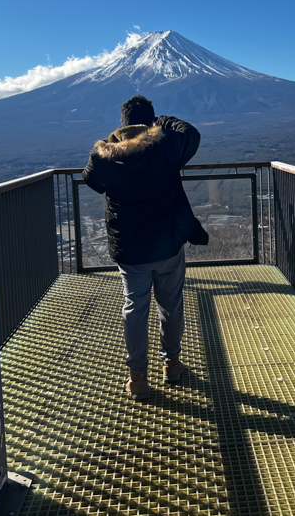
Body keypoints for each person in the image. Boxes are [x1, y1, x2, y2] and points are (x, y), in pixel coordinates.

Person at [82, 95, 208, 400]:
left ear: (121, 122)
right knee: (171, 304)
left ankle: (137, 378)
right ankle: (171, 365)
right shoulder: (165, 145)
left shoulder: (104, 155)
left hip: (129, 248)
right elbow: (191, 134)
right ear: (150, 121)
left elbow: (92, 181)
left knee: (134, 308)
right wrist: (163, 122)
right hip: (167, 244)